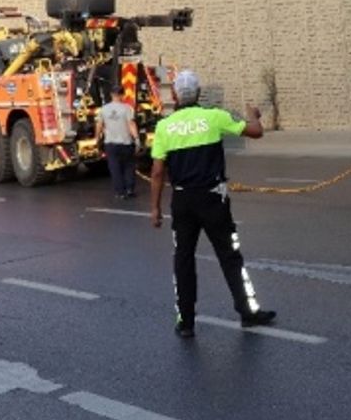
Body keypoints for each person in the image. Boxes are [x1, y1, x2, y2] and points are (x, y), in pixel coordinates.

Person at [148, 70, 276, 338]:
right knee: (230, 256)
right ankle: (248, 312)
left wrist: (155, 208)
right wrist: (253, 115)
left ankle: (186, 322)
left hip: (182, 201)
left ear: (175, 96)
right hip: (213, 200)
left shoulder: (164, 127)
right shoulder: (214, 116)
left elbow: (158, 172)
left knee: (183, 260)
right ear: (198, 93)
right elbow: (256, 132)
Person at [96, 85, 140, 199]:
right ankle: (130, 189)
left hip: (110, 144)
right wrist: (137, 139)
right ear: (122, 95)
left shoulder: (104, 109)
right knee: (129, 166)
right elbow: (131, 124)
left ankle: (120, 192)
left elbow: (99, 125)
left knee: (115, 168)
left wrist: (97, 139)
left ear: (111, 94)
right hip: (126, 143)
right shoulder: (127, 108)